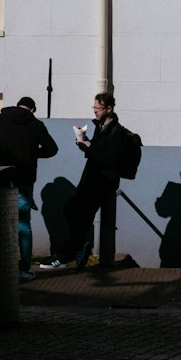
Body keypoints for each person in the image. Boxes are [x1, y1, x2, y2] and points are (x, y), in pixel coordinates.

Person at [38, 93, 137, 271]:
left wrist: (89, 146)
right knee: (72, 210)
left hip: (101, 183)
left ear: (109, 109)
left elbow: (110, 160)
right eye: (94, 108)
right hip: (92, 180)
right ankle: (78, 248)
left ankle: (64, 256)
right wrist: (84, 142)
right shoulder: (100, 127)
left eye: (98, 109)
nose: (95, 112)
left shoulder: (117, 133)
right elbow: (98, 154)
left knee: (80, 216)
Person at [0, 95, 58, 281]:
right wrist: (32, 152)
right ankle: (24, 269)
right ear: (32, 110)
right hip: (24, 179)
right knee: (22, 224)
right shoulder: (35, 125)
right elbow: (52, 149)